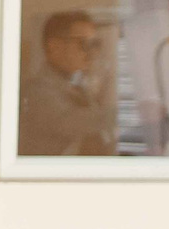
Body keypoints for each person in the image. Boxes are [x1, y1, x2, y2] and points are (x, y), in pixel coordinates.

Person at [19, 9, 115, 156]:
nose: (92, 53)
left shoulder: (80, 87)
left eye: (94, 44)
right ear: (54, 47)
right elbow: (73, 123)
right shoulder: (36, 92)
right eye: (83, 43)